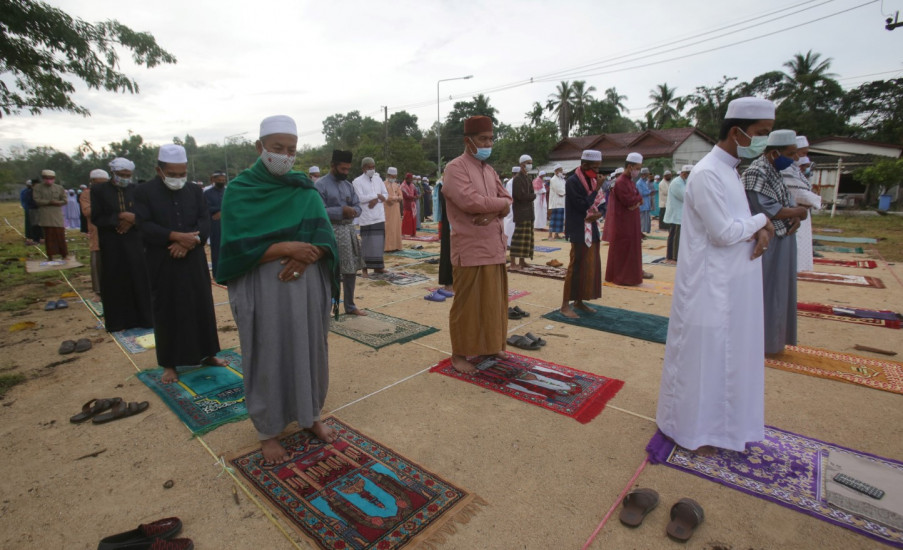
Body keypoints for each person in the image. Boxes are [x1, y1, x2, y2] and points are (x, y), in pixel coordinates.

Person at [656, 97, 776, 455]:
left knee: (727, 359)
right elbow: (723, 232)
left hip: (732, 285)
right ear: (737, 132)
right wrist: (762, 221)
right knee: (703, 360)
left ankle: (722, 429)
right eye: (760, 134)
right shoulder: (708, 172)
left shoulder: (729, 170)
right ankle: (689, 431)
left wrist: (760, 229)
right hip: (710, 286)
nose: (763, 141)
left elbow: (736, 225)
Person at [217, 114, 340, 463]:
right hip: (263, 290)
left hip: (306, 288)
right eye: (277, 148)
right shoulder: (240, 192)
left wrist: (306, 256)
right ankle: (268, 430)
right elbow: (236, 250)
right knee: (267, 351)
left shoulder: (303, 189)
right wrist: (288, 249)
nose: (284, 155)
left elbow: (323, 237)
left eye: (291, 149)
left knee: (310, 348)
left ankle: (311, 413)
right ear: (260, 148)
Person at [133, 144, 225, 383]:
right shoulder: (144, 192)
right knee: (167, 308)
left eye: (181, 173)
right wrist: (173, 237)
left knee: (201, 305)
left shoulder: (195, 191)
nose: (177, 179)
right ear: (159, 170)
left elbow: (204, 220)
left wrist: (189, 241)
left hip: (193, 257)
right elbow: (144, 225)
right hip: (163, 259)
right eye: (172, 174)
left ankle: (209, 354)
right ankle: (169, 363)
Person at [442, 115, 512, 374]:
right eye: (483, 139)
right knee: (468, 306)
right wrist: (499, 206)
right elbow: (469, 201)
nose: (488, 144)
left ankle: (490, 345)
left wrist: (495, 210)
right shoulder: (455, 168)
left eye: (491, 139)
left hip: (494, 246)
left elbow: (507, 199)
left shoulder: (489, 170)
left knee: (493, 301)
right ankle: (459, 354)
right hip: (470, 248)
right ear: (467, 141)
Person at [742, 129, 807, 355]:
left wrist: (796, 215)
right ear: (774, 152)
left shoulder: (774, 171)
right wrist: (797, 211)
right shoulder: (756, 172)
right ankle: (762, 341)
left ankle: (775, 340)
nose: (794, 159)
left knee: (780, 291)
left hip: (784, 236)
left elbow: (785, 201)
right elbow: (767, 209)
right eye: (790, 154)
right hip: (769, 238)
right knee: (768, 291)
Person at [91, 158, 154, 332]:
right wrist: (119, 217)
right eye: (121, 175)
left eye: (128, 175)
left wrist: (133, 220)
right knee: (114, 279)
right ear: (113, 173)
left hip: (135, 240)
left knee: (140, 277)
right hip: (112, 241)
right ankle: (117, 322)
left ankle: (145, 319)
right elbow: (96, 216)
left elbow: (146, 213)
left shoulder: (138, 190)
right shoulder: (98, 191)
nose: (125, 178)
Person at [317, 150, 366, 316]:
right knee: (332, 272)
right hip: (330, 232)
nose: (346, 172)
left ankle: (350, 306)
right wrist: (341, 211)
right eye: (343, 169)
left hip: (349, 232)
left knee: (350, 270)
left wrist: (353, 211)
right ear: (333, 165)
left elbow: (358, 206)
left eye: (348, 169)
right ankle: (329, 309)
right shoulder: (320, 185)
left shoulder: (348, 186)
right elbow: (319, 210)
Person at [560, 150, 604, 318]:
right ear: (584, 165)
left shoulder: (592, 180)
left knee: (589, 265)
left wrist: (599, 213)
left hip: (591, 227)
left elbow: (601, 202)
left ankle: (579, 301)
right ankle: (565, 305)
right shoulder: (572, 181)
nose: (597, 172)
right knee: (575, 265)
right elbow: (581, 205)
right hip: (578, 228)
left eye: (599, 168)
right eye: (595, 167)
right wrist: (597, 188)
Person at [604, 152, 650, 286]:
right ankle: (623, 277)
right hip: (623, 222)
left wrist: (637, 200)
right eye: (637, 168)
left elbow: (638, 198)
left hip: (631, 220)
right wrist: (637, 201)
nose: (638, 171)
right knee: (624, 249)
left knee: (632, 249)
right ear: (629, 167)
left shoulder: (629, 182)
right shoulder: (620, 182)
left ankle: (632, 275)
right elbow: (630, 201)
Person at [783, 136, 821, 273]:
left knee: (800, 247)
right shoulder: (786, 169)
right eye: (803, 153)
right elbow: (799, 193)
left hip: (801, 213)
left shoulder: (795, 170)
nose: (804, 158)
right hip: (790, 214)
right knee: (794, 248)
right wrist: (816, 200)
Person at [352, 157, 388, 277]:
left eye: (373, 167)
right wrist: (376, 196)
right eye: (369, 167)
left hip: (379, 216)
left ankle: (379, 268)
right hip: (366, 217)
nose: (371, 169)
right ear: (363, 168)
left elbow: (385, 195)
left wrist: (376, 199)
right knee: (366, 243)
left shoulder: (378, 179)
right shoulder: (357, 181)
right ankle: (364, 269)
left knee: (379, 243)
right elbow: (360, 198)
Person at [80, 170, 108, 300]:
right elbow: (87, 212)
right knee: (97, 261)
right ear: (92, 183)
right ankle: (98, 291)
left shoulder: (110, 193)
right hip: (96, 231)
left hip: (112, 230)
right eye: (98, 183)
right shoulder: (86, 195)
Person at [32, 170, 69, 261]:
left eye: (51, 178)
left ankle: (64, 254)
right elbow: (37, 200)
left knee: (60, 235)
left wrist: (57, 202)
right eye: (46, 178)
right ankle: (50, 256)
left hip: (57, 215)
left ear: (54, 179)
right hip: (46, 215)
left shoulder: (59, 188)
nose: (49, 180)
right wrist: (48, 202)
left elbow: (65, 200)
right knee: (49, 237)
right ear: (43, 178)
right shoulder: (38, 188)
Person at [510, 154, 536, 270]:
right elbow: (520, 196)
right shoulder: (517, 179)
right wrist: (532, 196)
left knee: (526, 239)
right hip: (521, 212)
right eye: (528, 163)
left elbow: (530, 194)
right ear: (522, 164)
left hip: (529, 212)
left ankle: (522, 261)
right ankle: (512, 263)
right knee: (518, 238)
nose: (530, 165)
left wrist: (531, 195)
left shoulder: (527, 178)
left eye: (531, 162)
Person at [663, 166, 691, 263]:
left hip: (680, 213)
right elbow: (685, 196)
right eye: (689, 174)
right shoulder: (677, 182)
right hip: (676, 214)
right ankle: (673, 258)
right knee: (675, 237)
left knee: (675, 236)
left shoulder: (683, 182)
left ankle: (671, 257)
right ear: (684, 174)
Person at [204, 170, 227, 276]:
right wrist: (221, 209)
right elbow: (206, 208)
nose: (221, 182)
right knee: (216, 249)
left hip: (228, 224)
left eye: (223, 180)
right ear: (213, 180)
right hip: (215, 225)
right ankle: (217, 273)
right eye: (219, 180)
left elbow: (232, 205)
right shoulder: (207, 193)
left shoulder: (228, 191)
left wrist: (222, 211)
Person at [435, 178, 453, 293]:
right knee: (448, 251)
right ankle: (449, 283)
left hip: (460, 223)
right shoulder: (443, 185)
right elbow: (447, 206)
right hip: (450, 223)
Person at [383, 167, 403, 252]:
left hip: (396, 209)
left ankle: (396, 246)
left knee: (396, 227)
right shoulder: (383, 184)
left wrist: (397, 198)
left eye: (395, 176)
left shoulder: (396, 185)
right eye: (392, 176)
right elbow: (384, 196)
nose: (394, 178)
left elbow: (401, 196)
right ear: (388, 175)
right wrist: (394, 198)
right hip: (387, 209)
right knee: (388, 227)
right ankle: (388, 247)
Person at [547, 164, 566, 240]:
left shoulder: (562, 179)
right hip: (555, 202)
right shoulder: (553, 179)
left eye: (561, 170)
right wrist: (565, 192)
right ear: (556, 171)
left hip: (562, 202)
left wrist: (565, 192)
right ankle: (550, 235)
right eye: (560, 170)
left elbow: (565, 188)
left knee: (560, 219)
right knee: (553, 219)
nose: (561, 172)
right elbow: (559, 191)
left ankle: (556, 234)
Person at [636, 167, 652, 234]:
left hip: (647, 203)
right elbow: (640, 193)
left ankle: (644, 232)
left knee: (646, 219)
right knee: (642, 220)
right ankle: (641, 233)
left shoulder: (645, 182)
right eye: (647, 174)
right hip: (642, 204)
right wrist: (649, 192)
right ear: (644, 174)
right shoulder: (639, 183)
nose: (648, 176)